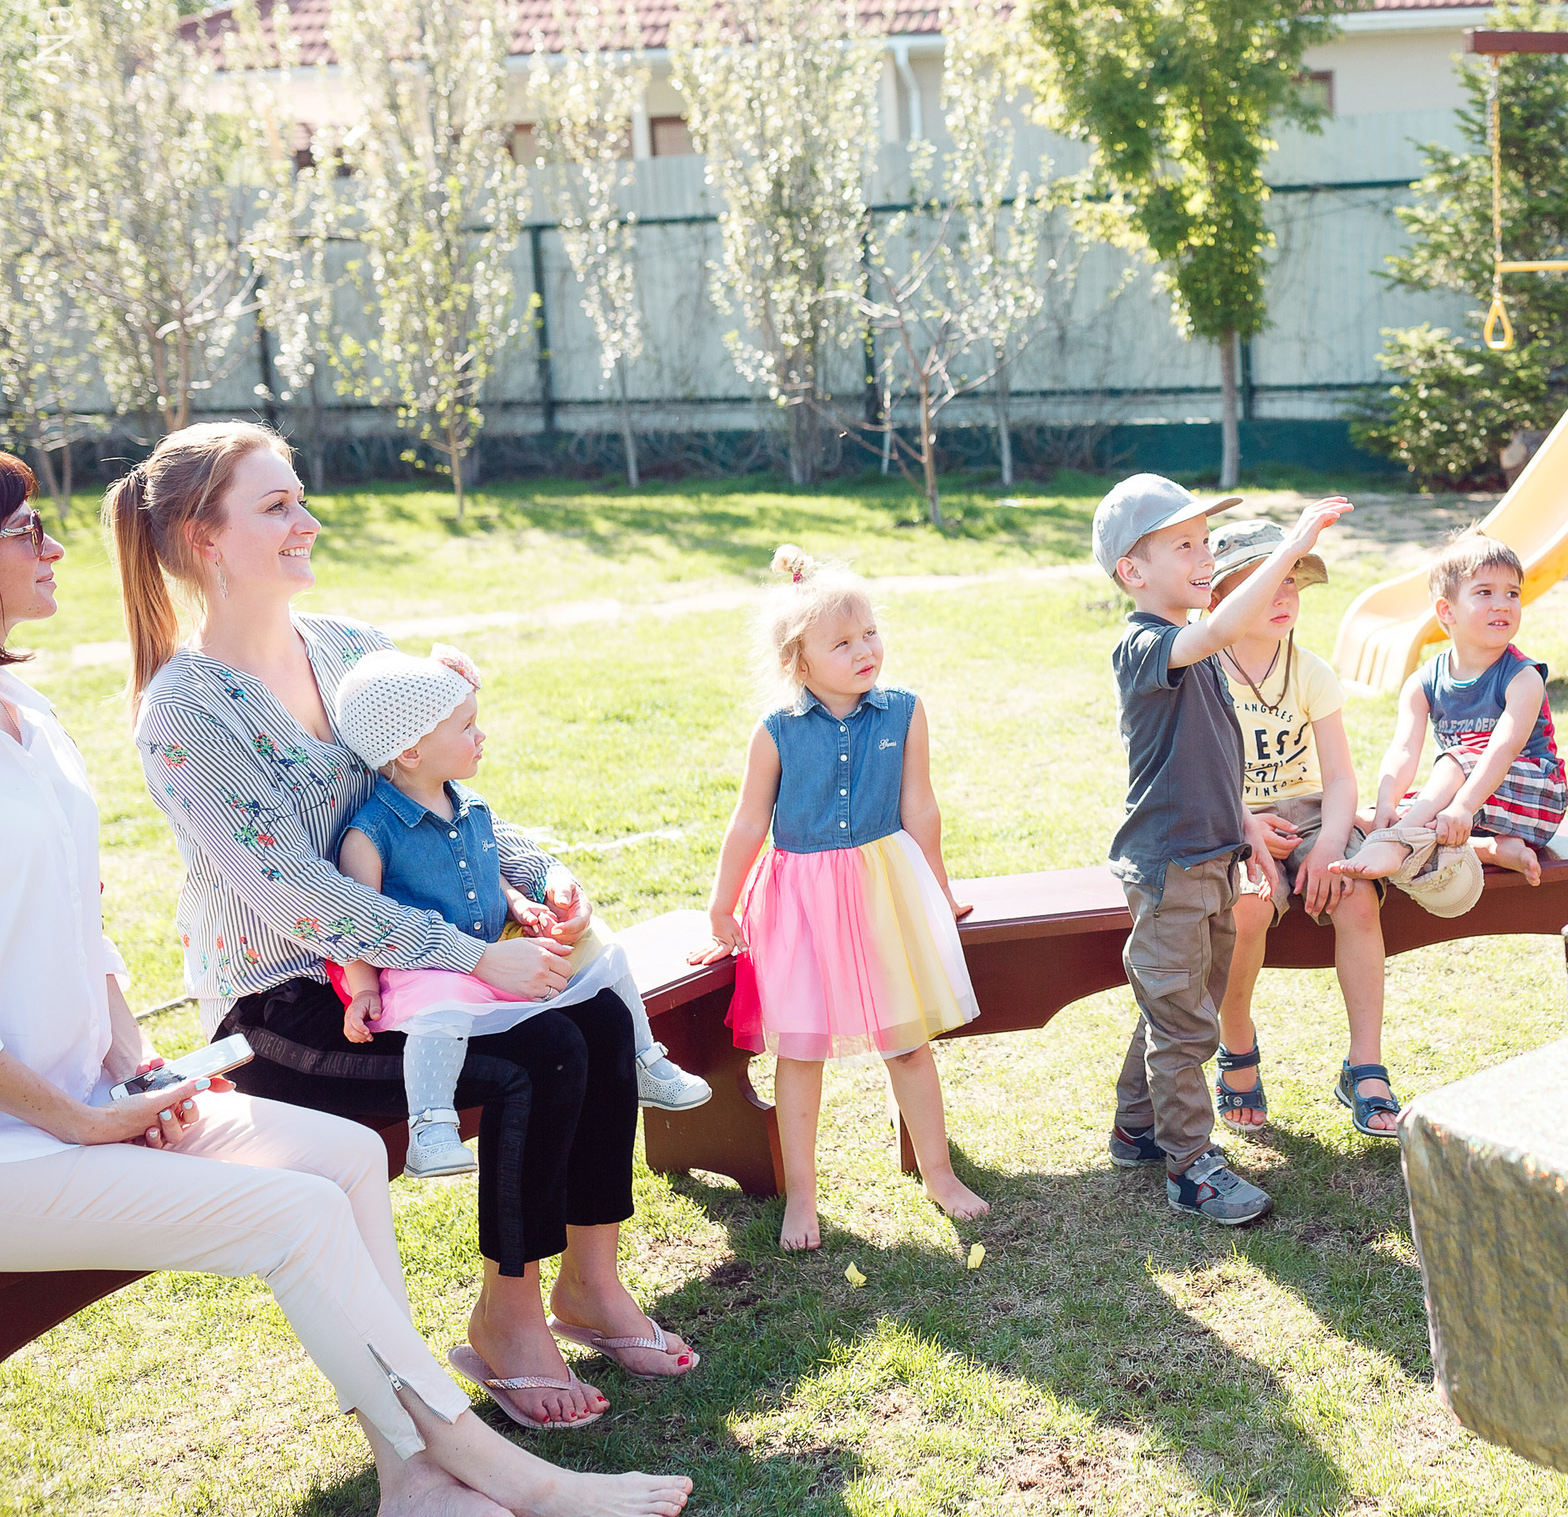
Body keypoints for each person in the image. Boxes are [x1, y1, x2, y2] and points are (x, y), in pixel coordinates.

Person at [0, 450, 694, 1516]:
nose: (309, 521)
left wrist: (535, 877)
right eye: (277, 506)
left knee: (595, 1010)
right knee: (535, 1052)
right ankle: (499, 1342)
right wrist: (471, 955)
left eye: (300, 498)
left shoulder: (346, 654)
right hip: (284, 993)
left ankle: (583, 1296)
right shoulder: (186, 711)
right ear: (203, 538)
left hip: (389, 970)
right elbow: (298, 898)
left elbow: (445, 801)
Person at [691, 547, 987, 1249]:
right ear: (800, 661)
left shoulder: (906, 713)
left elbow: (922, 810)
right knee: (801, 1051)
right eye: (843, 642)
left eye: (871, 634)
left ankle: (940, 1174)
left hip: (884, 891)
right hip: (799, 902)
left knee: (907, 1040)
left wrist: (938, 893)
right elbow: (746, 825)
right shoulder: (777, 730)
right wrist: (721, 906)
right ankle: (802, 1197)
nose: (865, 650)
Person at [329, 650, 713, 1182]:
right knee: (439, 1012)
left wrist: (522, 902)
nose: (481, 734)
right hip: (433, 967)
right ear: (412, 751)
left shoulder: (470, 805)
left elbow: (486, 871)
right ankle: (431, 1127)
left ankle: (643, 1059)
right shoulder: (370, 835)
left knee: (602, 944)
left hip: (501, 945)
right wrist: (363, 987)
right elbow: (357, 920)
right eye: (466, 726)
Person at [1092, 475, 1348, 1226]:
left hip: (1210, 855)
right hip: (1169, 864)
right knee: (1183, 1021)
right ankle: (1191, 1166)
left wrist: (1243, 835)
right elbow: (1218, 629)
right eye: (1184, 545)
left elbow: (1214, 759)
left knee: (1182, 1001)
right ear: (1132, 571)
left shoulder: (1195, 648)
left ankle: (1136, 1126)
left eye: (1206, 542)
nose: (1204, 557)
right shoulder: (1149, 644)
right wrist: (1293, 544)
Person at [1198, 517, 1399, 1140]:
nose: (1283, 596)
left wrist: (1332, 845)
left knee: (1357, 894)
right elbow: (1197, 777)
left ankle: (1364, 1066)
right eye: (1265, 583)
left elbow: (1340, 779)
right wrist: (1246, 827)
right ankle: (1238, 1048)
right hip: (1229, 816)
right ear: (1222, 598)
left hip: (1311, 812)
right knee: (1251, 908)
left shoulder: (1311, 671)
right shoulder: (1203, 670)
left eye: (1291, 581)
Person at [1336, 533, 1568, 889]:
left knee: (1454, 761)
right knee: (1367, 817)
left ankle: (1400, 840)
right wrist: (1388, 801)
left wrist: (1462, 806)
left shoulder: (1523, 677)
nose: (1503, 604)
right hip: (1468, 803)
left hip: (1534, 798)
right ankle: (1489, 849)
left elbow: (1502, 749)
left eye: (1512, 593)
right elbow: (1403, 750)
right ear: (1447, 611)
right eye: (1485, 592)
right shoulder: (1423, 682)